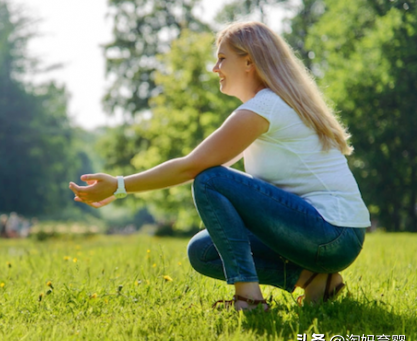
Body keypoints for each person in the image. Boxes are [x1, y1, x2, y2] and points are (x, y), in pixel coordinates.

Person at [69, 21, 370, 311]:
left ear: (249, 62)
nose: (215, 69)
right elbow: (197, 167)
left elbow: (192, 168)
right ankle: (315, 280)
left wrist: (121, 186)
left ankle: (249, 300)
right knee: (203, 251)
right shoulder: (275, 104)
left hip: (331, 234)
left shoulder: (265, 107)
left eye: (222, 59)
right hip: (334, 237)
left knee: (210, 180)